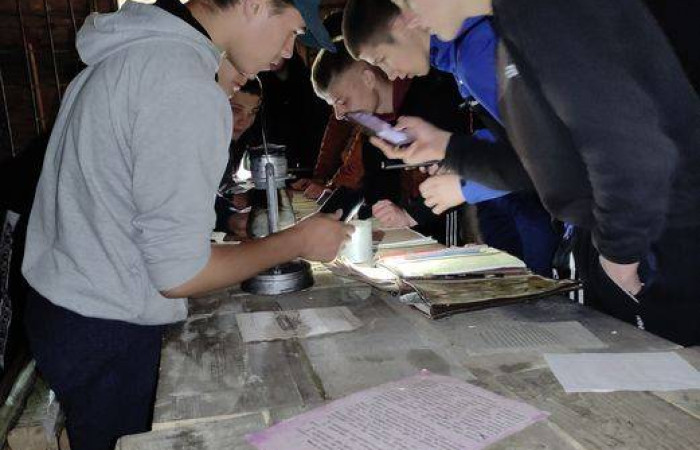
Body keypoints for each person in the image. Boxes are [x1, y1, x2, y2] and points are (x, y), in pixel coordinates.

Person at [21, 0, 353, 448]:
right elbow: (180, 274)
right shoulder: (184, 85)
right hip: (109, 327)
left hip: (69, 310)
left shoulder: (134, 54)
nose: (288, 52)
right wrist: (298, 240)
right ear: (255, 5)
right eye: (292, 31)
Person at [379, 0, 700, 345]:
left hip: (660, 239)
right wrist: (449, 148)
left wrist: (619, 254)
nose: (409, 18)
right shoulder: (512, 25)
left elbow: (632, 148)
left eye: (407, 1)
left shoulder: (548, 13)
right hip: (626, 234)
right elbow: (542, 160)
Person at [342, 0, 559, 276]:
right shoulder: (457, 56)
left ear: (402, 22)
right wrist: (455, 156)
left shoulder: (476, 50)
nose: (391, 74)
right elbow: (511, 135)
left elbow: (538, 152)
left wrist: (464, 186)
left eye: (383, 60)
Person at [311, 40, 474, 241]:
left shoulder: (435, 94)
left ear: (368, 78)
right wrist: (323, 219)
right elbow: (371, 187)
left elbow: (460, 171)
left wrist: (410, 214)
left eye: (341, 101)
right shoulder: (372, 124)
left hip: (461, 231)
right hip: (412, 236)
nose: (338, 115)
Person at [214, 77, 262, 238]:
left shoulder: (228, 142)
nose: (245, 121)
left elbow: (223, 184)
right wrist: (229, 218)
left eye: (252, 112)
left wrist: (255, 196)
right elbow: (191, 197)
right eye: (236, 110)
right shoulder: (192, 143)